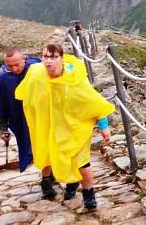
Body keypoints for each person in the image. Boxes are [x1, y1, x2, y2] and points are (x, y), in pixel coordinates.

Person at [15, 42, 115, 209]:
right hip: (54, 128)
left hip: (76, 127)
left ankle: (89, 194)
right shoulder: (36, 74)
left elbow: (92, 101)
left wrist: (103, 125)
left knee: (81, 162)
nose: (48, 61)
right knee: (59, 158)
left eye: (53, 57)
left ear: (61, 58)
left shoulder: (73, 79)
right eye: (45, 56)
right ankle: (71, 184)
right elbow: (27, 96)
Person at [0, 47, 40, 174]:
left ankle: (49, 178)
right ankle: (46, 180)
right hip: (19, 120)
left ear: (24, 58)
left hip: (40, 117)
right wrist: (3, 128)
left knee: (46, 146)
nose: (14, 69)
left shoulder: (36, 69)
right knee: (29, 149)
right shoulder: (3, 78)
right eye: (9, 66)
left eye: (16, 65)